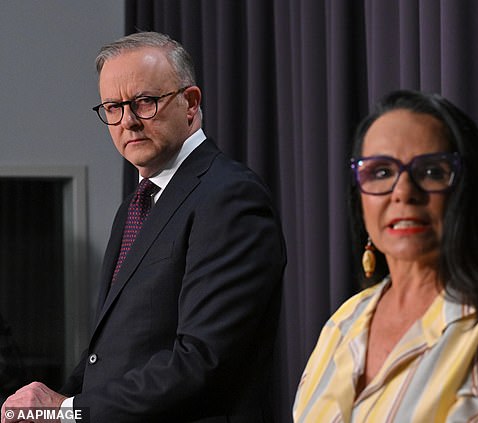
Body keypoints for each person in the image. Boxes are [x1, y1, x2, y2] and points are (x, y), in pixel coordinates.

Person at [1, 32, 286, 423]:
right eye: (113, 107)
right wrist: (52, 404)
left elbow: (202, 359)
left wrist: (67, 410)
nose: (128, 122)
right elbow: (111, 354)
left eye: (145, 102)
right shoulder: (137, 203)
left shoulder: (230, 197)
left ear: (190, 103)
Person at [293, 90, 478, 422]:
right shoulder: (344, 322)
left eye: (431, 172)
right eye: (381, 172)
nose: (403, 191)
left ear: (468, 190)